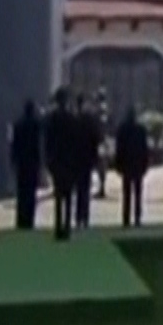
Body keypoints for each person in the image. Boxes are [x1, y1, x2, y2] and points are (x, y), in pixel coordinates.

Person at [45, 89, 77, 241]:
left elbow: (48, 141)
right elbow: (75, 141)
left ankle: (58, 227)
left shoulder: (52, 119)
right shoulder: (71, 119)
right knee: (68, 195)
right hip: (69, 161)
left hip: (57, 160)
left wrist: (49, 159)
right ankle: (67, 226)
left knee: (58, 195)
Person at [9, 100, 43, 231]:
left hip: (21, 163)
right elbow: (38, 145)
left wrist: (13, 160)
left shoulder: (18, 125)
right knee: (31, 192)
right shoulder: (36, 125)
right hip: (32, 162)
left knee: (21, 192)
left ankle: (20, 219)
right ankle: (30, 219)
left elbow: (14, 145)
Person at [114, 107, 150, 228]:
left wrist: (118, 164)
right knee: (138, 192)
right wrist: (145, 164)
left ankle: (126, 217)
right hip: (137, 164)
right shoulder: (141, 130)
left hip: (126, 164)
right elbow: (144, 149)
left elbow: (119, 149)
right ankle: (137, 217)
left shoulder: (122, 130)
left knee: (127, 193)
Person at [74, 95, 101, 229]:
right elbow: (95, 139)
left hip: (76, 159)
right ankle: (84, 216)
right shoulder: (89, 121)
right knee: (85, 189)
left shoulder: (73, 120)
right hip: (87, 159)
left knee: (78, 189)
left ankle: (78, 216)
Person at [93, 90, 112, 199]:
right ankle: (101, 187)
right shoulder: (104, 110)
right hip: (103, 140)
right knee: (101, 166)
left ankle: (102, 188)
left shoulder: (101, 110)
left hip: (101, 141)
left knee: (101, 166)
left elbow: (102, 125)